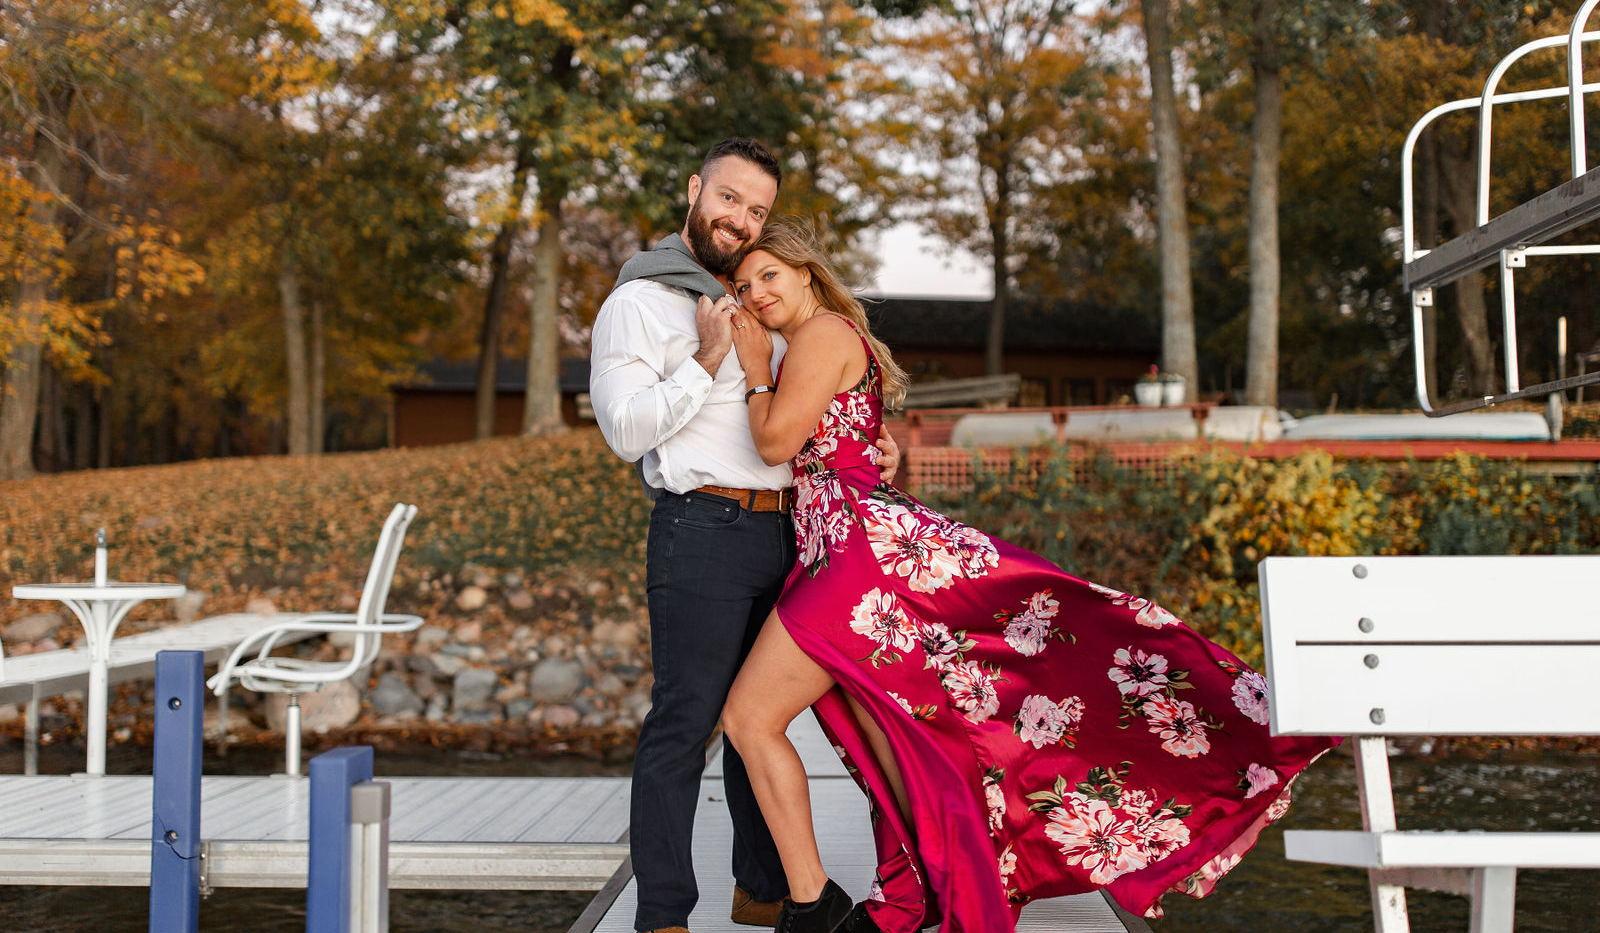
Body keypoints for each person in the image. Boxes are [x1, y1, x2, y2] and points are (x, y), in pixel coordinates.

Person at [718, 220, 1338, 932]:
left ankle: (814, 902)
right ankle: (914, 887)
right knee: (896, 736)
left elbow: (775, 441)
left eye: (769, 275)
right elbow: (841, 444)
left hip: (854, 560)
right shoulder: (819, 341)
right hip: (839, 552)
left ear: (806, 272)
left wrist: (755, 368)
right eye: (744, 285)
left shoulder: (820, 334)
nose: (756, 294)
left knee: (752, 716)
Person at [589, 138, 901, 933]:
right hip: (704, 526)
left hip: (794, 531)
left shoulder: (759, 296)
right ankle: (663, 914)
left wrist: (874, 446)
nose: (740, 219)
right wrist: (705, 360)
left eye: (757, 210)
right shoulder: (640, 301)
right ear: (696, 189)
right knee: (686, 720)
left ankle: (762, 887)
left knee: (754, 717)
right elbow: (624, 430)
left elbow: (811, 406)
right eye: (729, 198)